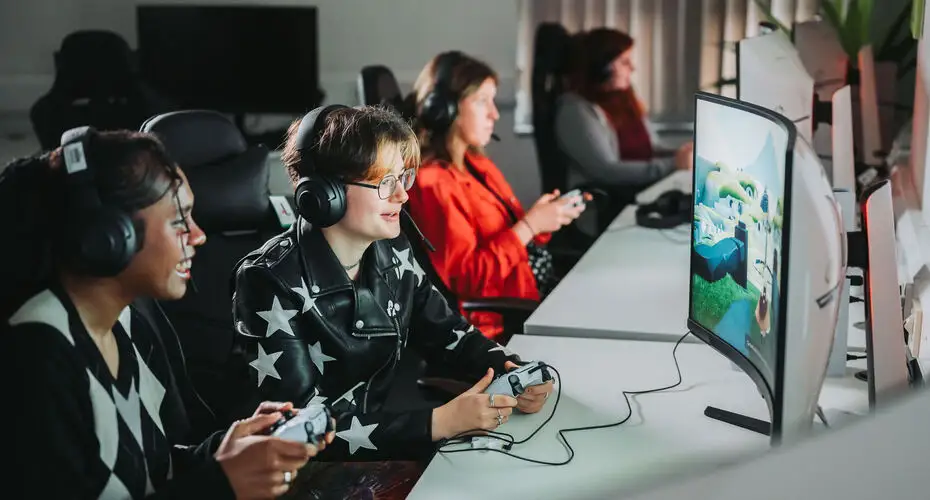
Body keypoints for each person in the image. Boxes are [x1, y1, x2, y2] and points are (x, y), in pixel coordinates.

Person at [3, 128, 332, 499]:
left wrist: (226, 447)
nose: (198, 236)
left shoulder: (130, 323)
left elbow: (153, 471)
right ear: (110, 236)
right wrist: (221, 484)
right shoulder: (36, 353)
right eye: (179, 221)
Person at [229, 104, 554, 467]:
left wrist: (510, 370)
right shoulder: (268, 280)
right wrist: (439, 422)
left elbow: (450, 334)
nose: (402, 195)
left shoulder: (392, 250)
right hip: (304, 475)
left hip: (379, 455)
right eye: (385, 182)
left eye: (403, 178)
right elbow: (300, 429)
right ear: (324, 195)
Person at [404, 51, 587, 339]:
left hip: (526, 291)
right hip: (500, 322)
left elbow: (510, 236)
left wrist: (543, 220)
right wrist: (529, 226)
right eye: (481, 101)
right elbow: (468, 280)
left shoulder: (477, 164)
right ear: (444, 109)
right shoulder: (434, 184)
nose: (495, 113)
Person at [555, 28, 693, 221]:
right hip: (606, 206)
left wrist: (682, 152)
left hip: (640, 194)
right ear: (601, 67)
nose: (633, 68)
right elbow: (607, 170)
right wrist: (673, 164)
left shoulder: (624, 98)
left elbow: (651, 147)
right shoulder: (575, 110)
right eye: (624, 62)